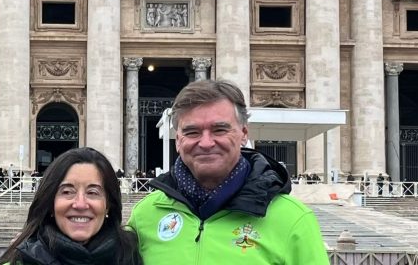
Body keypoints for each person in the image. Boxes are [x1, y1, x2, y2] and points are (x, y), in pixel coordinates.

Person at [129, 79, 329, 265]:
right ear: (178, 141)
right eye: (192, 132)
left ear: (243, 134)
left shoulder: (294, 219)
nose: (206, 143)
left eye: (219, 130)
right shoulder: (144, 215)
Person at [0, 147, 142, 265]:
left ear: (108, 205)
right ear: (50, 204)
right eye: (67, 191)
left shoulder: (135, 257)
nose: (80, 204)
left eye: (92, 192)